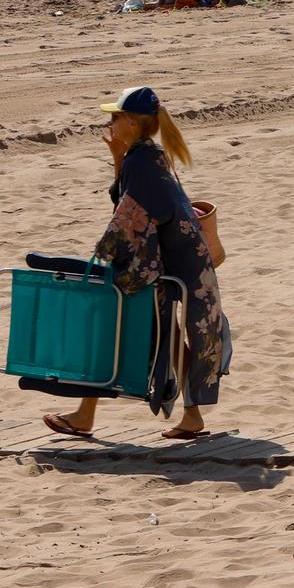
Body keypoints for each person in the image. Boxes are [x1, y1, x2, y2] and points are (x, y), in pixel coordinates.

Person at [42, 87, 228, 441]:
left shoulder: (142, 161)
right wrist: (118, 158)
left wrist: (105, 257)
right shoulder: (145, 156)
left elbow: (128, 217)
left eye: (115, 117)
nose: (110, 122)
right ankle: (190, 416)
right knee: (168, 337)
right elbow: (131, 203)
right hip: (182, 264)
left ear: (130, 121)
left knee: (109, 325)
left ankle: (85, 415)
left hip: (170, 267)